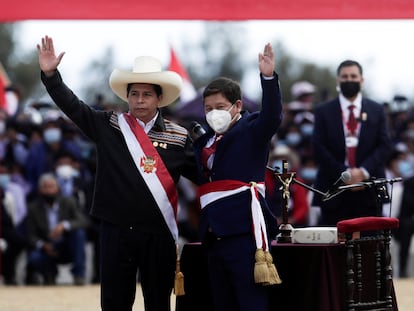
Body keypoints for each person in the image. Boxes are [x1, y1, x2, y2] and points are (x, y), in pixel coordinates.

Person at [37, 36, 198, 310]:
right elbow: (73, 106)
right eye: (134, 94)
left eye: (147, 94)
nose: (139, 100)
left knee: (158, 302)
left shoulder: (180, 136)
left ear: (159, 98)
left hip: (158, 234)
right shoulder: (108, 125)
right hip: (116, 230)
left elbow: (204, 176)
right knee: (114, 302)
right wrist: (51, 76)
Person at [192, 43, 282, 311]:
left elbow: (273, 116)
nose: (212, 113)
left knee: (250, 304)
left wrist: (268, 78)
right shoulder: (205, 140)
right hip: (213, 234)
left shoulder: (252, 129)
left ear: (237, 105)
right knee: (222, 304)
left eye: (219, 106)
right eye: (208, 108)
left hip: (245, 234)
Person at [312, 60, 392, 226]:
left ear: (361, 80)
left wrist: (363, 173)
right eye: (345, 76)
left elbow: (384, 145)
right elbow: (318, 147)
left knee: (371, 248)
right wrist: (346, 175)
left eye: (353, 76)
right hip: (333, 191)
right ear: (338, 81)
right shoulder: (323, 111)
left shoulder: (376, 110)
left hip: (370, 191)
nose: (349, 80)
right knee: (334, 249)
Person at [25, 173, 88, 285]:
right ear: (40, 190)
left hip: (66, 245)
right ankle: (50, 275)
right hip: (46, 247)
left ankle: (79, 276)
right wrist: (43, 245)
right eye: (45, 187)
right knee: (34, 258)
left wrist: (65, 225)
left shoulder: (69, 202)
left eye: (51, 187)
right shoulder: (33, 208)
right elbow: (30, 235)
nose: (49, 191)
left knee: (79, 234)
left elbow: (84, 221)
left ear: (58, 188)